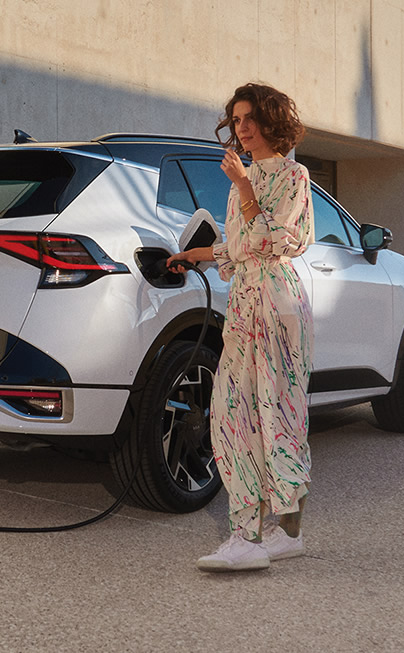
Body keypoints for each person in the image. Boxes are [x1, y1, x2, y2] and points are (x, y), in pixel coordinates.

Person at [167, 83, 314, 572]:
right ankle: (249, 533)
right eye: (236, 120)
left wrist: (247, 189)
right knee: (233, 414)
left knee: (279, 416)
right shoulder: (240, 181)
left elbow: (279, 240)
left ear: (272, 121)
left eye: (250, 118)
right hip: (245, 305)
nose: (242, 128)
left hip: (277, 306)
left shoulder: (293, 175)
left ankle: (283, 532)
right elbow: (241, 244)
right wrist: (199, 254)